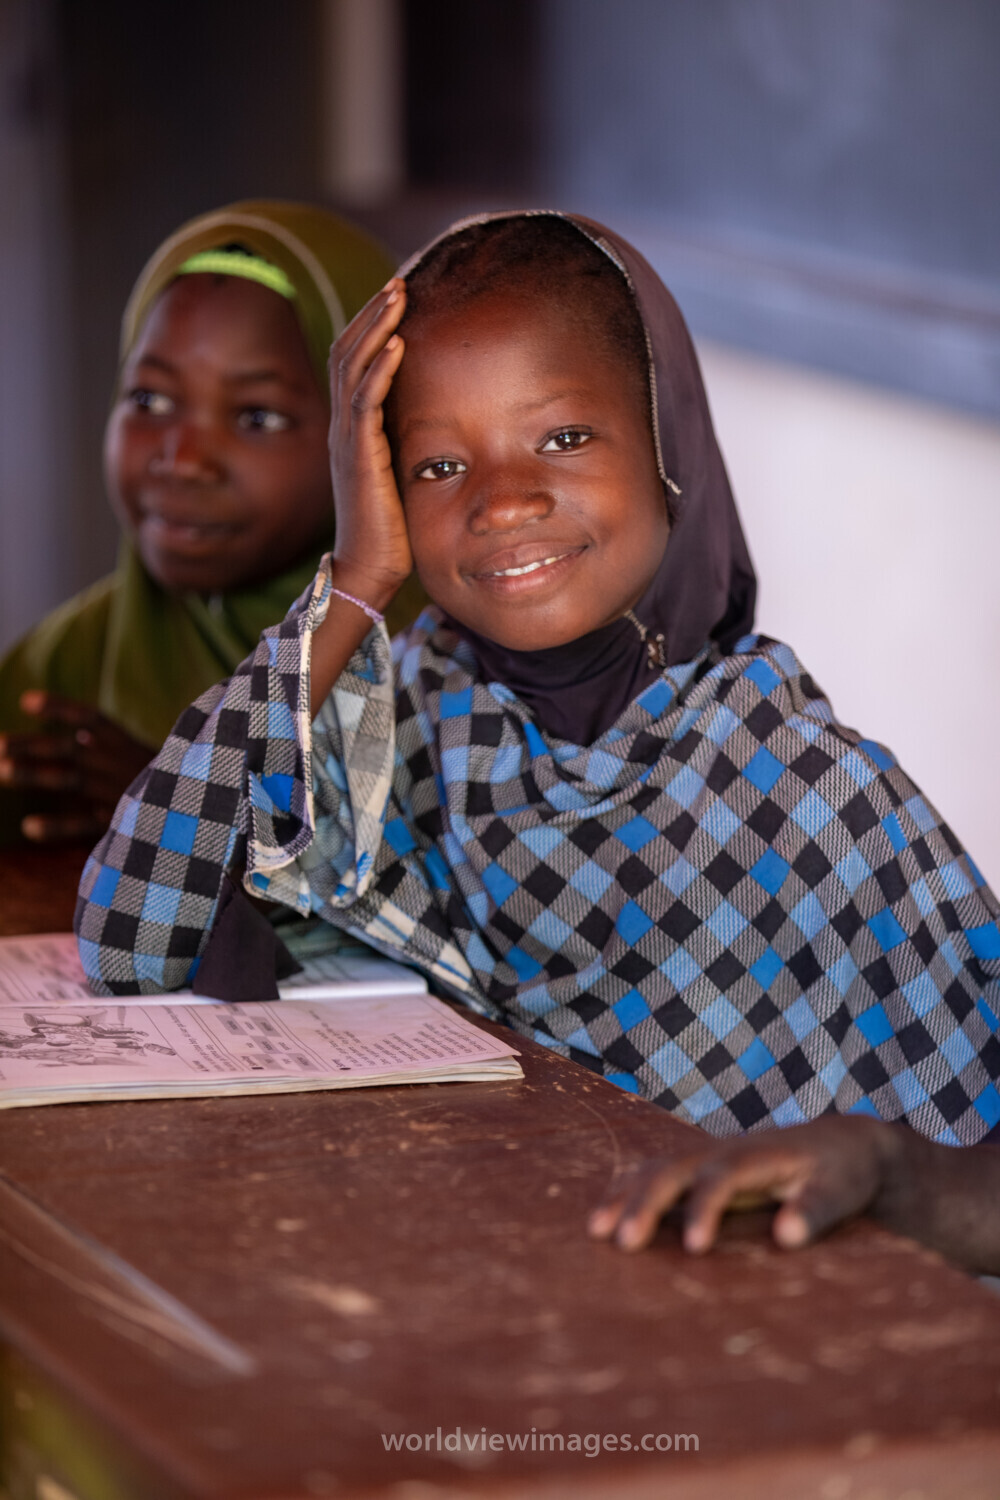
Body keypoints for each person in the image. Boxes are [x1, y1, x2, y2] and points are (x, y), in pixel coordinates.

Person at [75, 212, 1000, 1157]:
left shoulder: (808, 795)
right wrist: (356, 580)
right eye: (438, 464)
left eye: (562, 438)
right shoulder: (412, 727)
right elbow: (130, 941)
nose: (502, 499)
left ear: (669, 446)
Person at [0, 200, 425, 846]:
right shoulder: (63, 664)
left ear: (372, 430)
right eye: (150, 400)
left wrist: (176, 807)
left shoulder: (435, 661)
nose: (184, 460)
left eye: (258, 417)